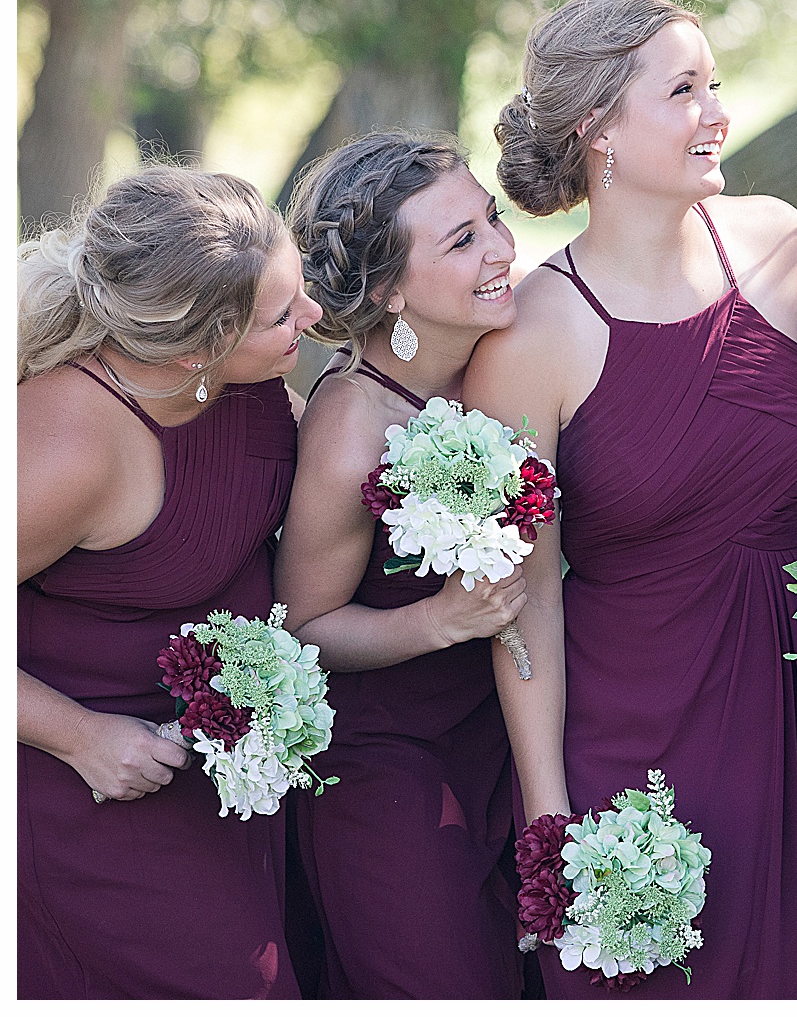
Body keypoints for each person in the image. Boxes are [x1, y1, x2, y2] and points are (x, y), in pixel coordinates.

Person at [467, 0, 797, 998]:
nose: (717, 111)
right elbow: (528, 594)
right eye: (684, 89)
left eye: (715, 82)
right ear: (597, 128)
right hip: (631, 745)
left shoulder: (780, 243)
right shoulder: (532, 332)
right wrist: (548, 811)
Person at [18, 169, 319, 996]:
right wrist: (78, 735)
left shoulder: (248, 383)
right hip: (93, 791)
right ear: (197, 348)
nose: (312, 319)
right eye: (283, 315)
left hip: (217, 786)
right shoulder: (71, 446)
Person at [279, 136, 527, 997]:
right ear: (387, 291)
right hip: (389, 774)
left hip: (498, 743)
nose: (500, 248)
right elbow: (304, 624)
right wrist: (434, 620)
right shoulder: (353, 424)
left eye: (491, 217)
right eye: (461, 241)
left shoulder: (504, 364)